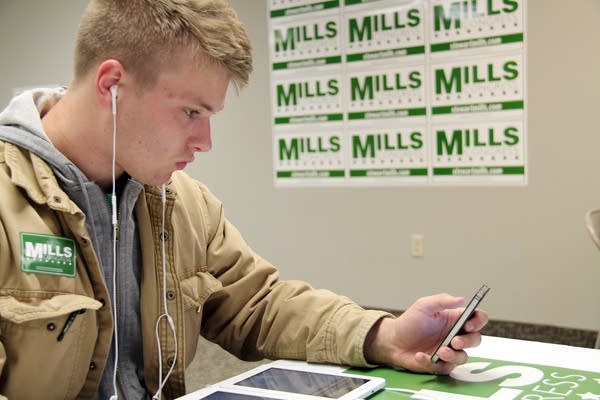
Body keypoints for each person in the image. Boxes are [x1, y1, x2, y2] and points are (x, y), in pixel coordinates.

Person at [0, 0, 488, 399]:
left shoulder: (180, 203)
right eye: (191, 111)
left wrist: (383, 336)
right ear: (112, 85)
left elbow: (258, 303)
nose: (204, 141)